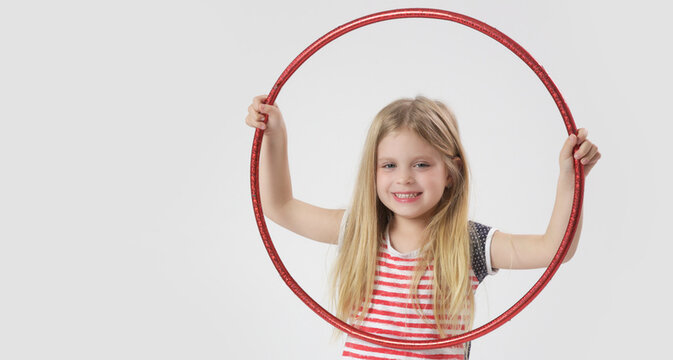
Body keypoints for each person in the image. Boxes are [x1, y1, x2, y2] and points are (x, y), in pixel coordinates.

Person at [245, 94, 601, 360]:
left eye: (420, 164)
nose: (403, 179)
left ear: (450, 172)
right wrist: (275, 135)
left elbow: (556, 250)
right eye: (388, 165)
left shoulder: (468, 243)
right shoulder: (359, 230)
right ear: (372, 172)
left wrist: (571, 180)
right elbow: (279, 206)